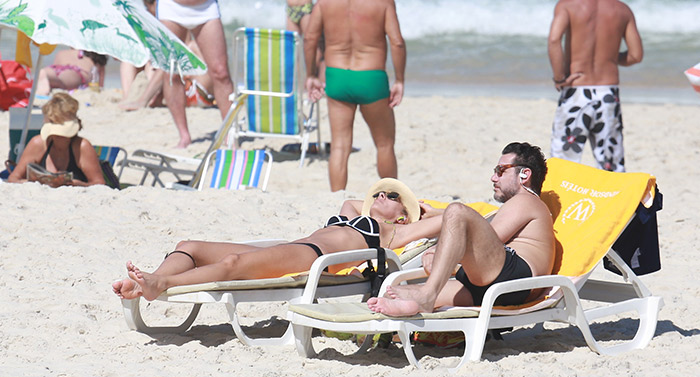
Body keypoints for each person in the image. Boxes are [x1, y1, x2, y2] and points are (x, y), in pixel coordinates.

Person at [113, 178, 444, 301]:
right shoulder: (353, 213)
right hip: (290, 248)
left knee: (233, 264)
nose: (383, 194)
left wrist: (422, 213)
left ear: (404, 215)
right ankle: (151, 282)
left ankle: (159, 282)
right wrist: (384, 205)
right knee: (189, 246)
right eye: (381, 191)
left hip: (312, 257)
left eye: (394, 195)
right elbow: (355, 203)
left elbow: (452, 218)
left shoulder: (395, 231)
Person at [367, 143, 555, 317]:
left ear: (525, 175)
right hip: (491, 282)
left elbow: (488, 236)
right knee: (397, 295)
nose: (493, 177)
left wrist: (437, 251)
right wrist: (438, 221)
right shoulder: (513, 208)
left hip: (515, 277)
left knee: (456, 210)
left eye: (500, 171)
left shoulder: (526, 200)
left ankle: (427, 295)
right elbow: (481, 228)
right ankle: (403, 327)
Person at [303, 0, 406, 192]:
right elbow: (397, 42)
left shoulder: (324, 3)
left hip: (337, 75)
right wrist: (399, 80)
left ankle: (337, 200)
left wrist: (311, 75)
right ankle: (392, 197)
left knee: (339, 146)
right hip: (371, 77)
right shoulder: (383, 2)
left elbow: (310, 38)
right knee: (384, 144)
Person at [548, 0, 643, 172]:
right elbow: (635, 55)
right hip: (607, 93)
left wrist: (559, 77)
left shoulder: (567, 5)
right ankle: (613, 198)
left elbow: (554, 40)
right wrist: (611, 58)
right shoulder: (622, 9)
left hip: (576, 91)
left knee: (563, 163)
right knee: (611, 164)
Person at [156, 0, 234, 148]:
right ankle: (184, 135)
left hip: (206, 7)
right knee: (172, 73)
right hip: (171, 7)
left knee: (220, 72)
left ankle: (229, 133)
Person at [7, 93, 105, 186]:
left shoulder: (82, 147)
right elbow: (13, 179)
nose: (60, 136)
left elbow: (99, 184)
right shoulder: (38, 144)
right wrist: (34, 184)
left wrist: (79, 185)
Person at [36, 49, 107, 96]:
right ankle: (46, 77)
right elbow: (100, 80)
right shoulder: (95, 57)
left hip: (56, 69)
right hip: (76, 73)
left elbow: (56, 65)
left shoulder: (62, 53)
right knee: (62, 79)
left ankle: (46, 74)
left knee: (54, 76)